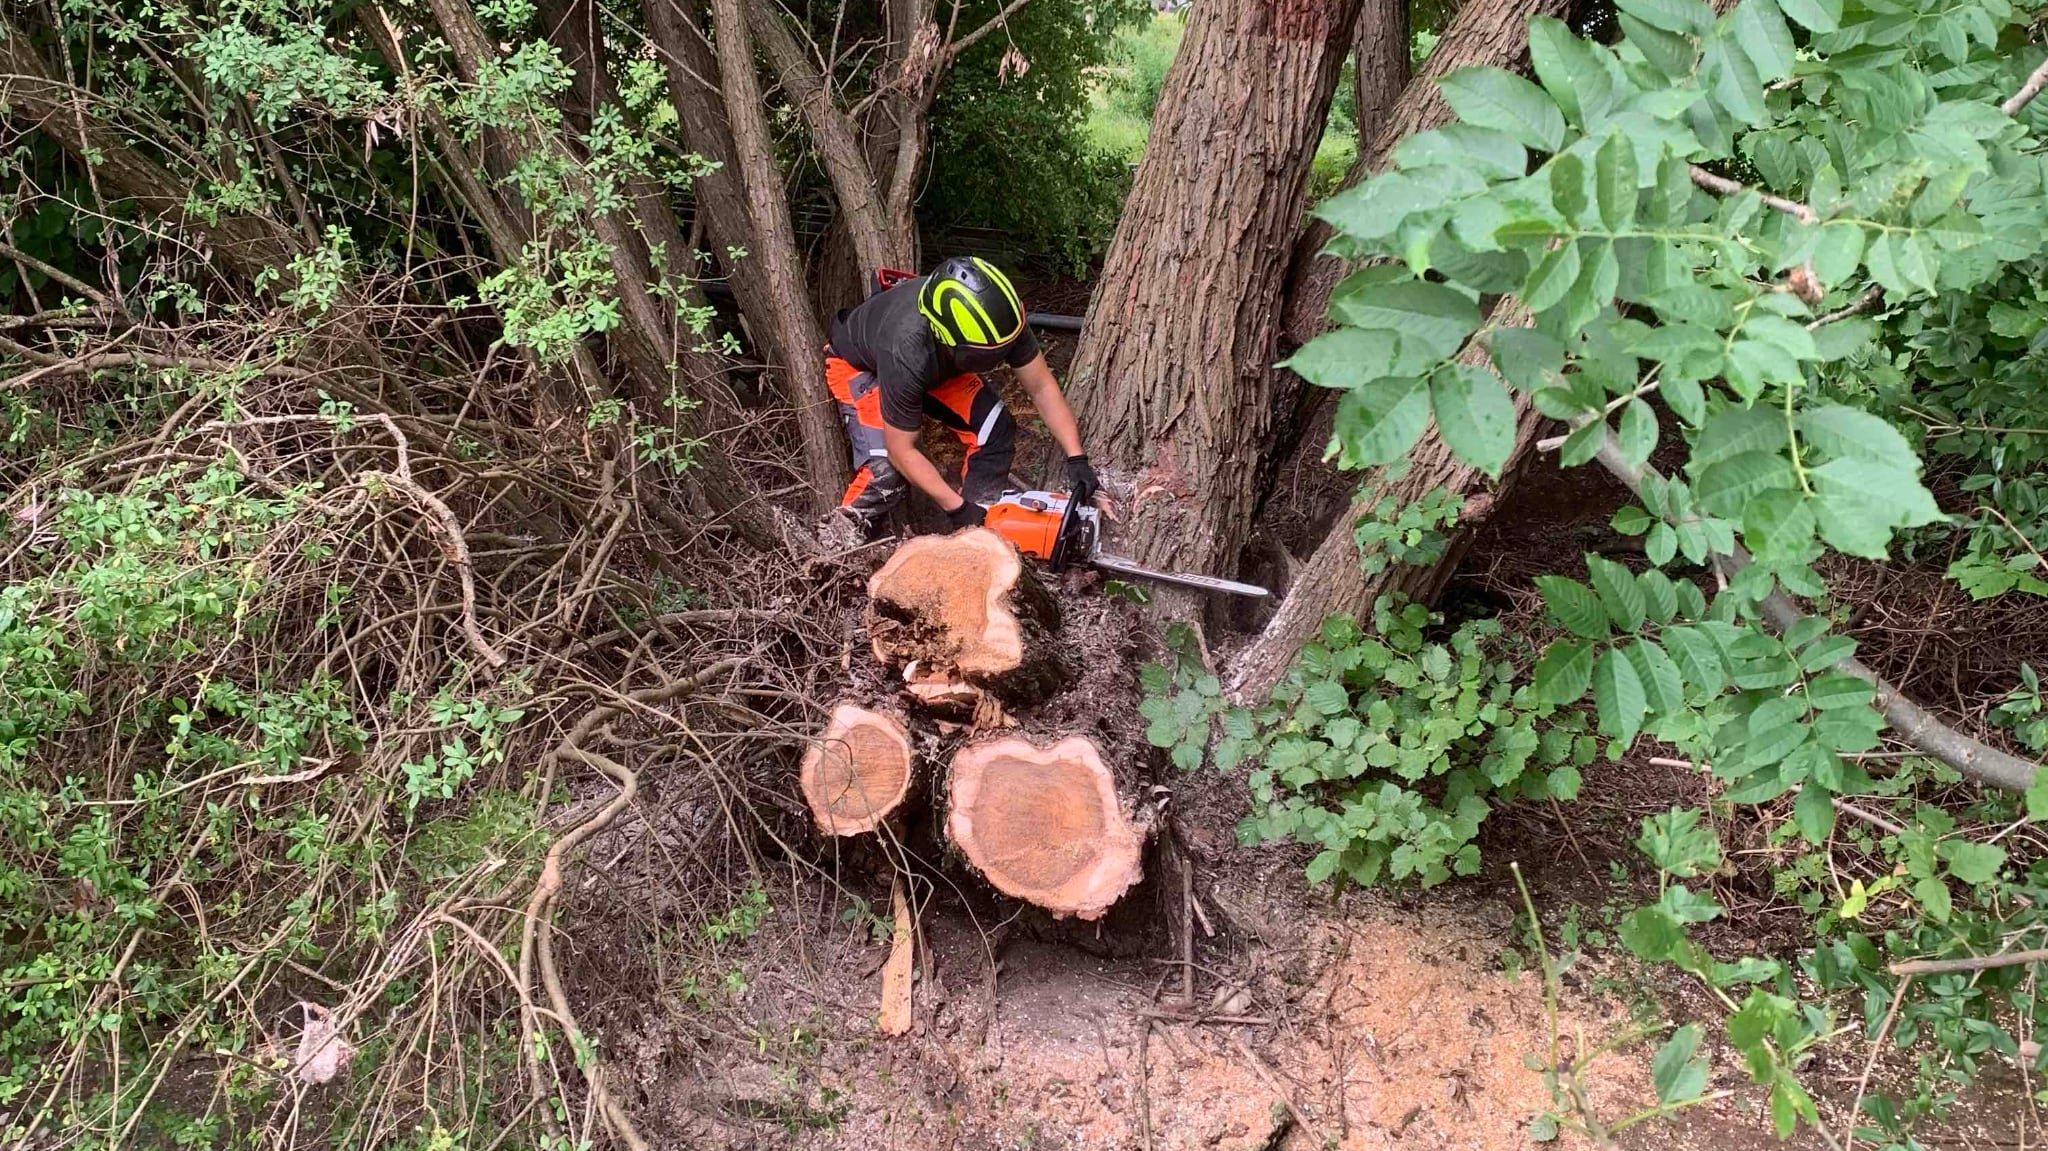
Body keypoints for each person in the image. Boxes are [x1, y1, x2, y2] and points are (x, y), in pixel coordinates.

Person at [822, 256, 1097, 535]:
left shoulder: (1004, 321)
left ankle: (981, 529)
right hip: (859, 367)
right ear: (946, 337)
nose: (996, 362)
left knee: (995, 430)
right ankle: (838, 543)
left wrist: (1076, 457)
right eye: (984, 357)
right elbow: (901, 450)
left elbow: (1041, 387)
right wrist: (957, 508)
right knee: (885, 473)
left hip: (937, 368)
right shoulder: (906, 349)